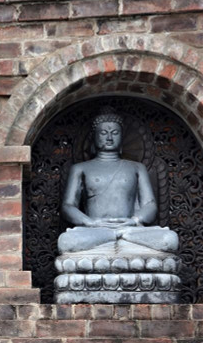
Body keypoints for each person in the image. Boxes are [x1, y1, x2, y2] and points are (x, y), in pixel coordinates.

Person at [58, 109, 178, 255]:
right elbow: (68, 206)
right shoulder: (80, 169)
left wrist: (134, 221)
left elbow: (150, 205)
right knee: (66, 241)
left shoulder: (137, 168)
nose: (109, 138)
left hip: (130, 229)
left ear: (122, 137)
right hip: (95, 230)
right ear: (94, 137)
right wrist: (90, 222)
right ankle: (116, 237)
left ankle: (118, 236)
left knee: (169, 239)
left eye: (115, 133)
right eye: (103, 133)